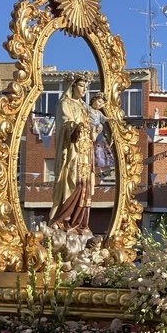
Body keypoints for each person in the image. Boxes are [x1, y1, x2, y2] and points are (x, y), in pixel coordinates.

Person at [49, 74, 96, 232]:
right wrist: (75, 127)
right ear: (73, 86)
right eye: (82, 86)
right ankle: (62, 220)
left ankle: (79, 223)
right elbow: (65, 122)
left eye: (86, 87)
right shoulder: (65, 103)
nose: (84, 90)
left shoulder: (84, 107)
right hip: (72, 151)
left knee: (85, 187)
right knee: (74, 183)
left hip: (85, 151)